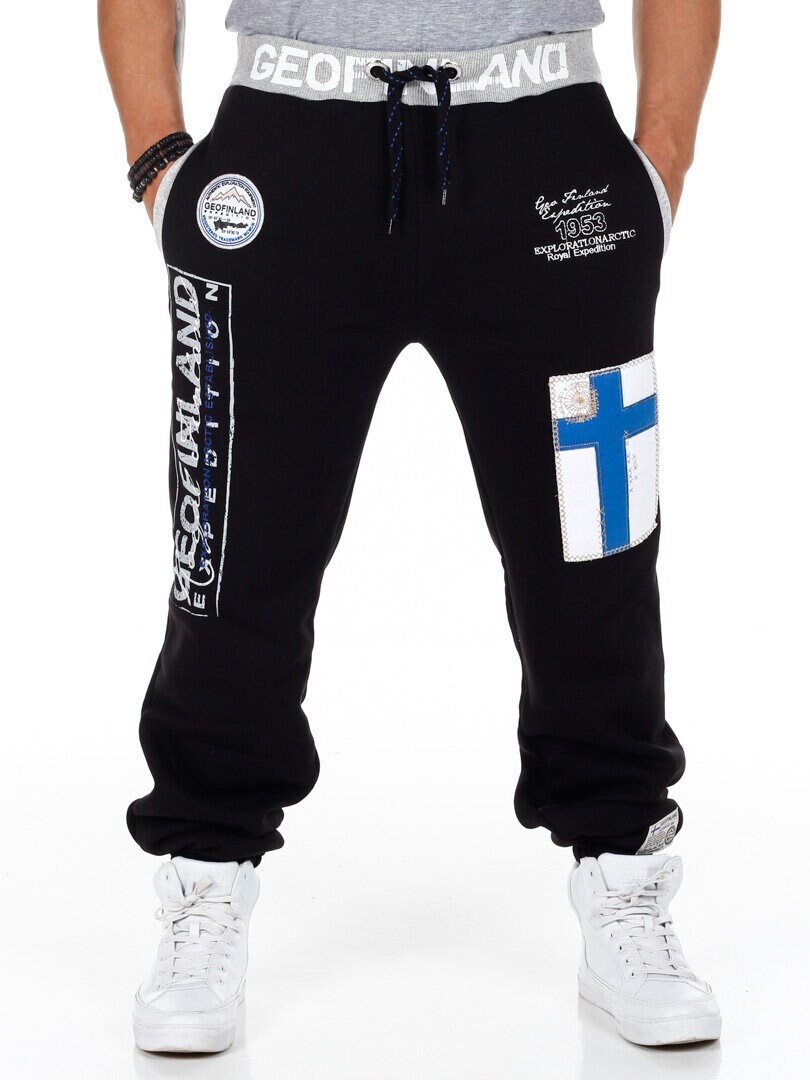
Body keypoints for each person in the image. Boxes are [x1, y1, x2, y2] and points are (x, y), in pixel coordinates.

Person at [99, 0, 722, 1054]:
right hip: (290, 151)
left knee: (593, 544)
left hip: (546, 152)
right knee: (236, 548)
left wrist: (662, 155)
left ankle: (625, 869)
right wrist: (158, 156)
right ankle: (204, 871)